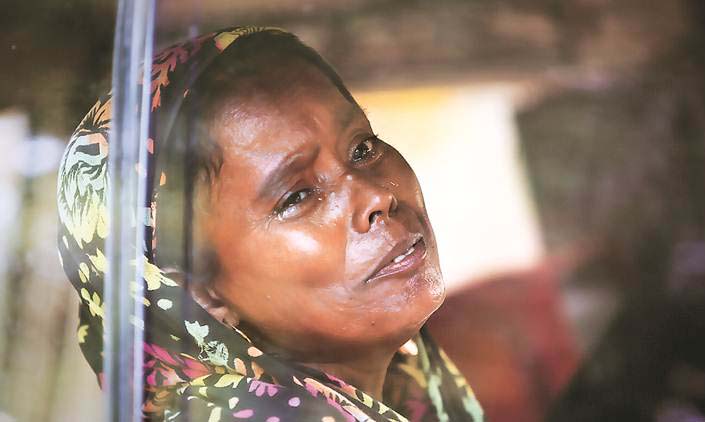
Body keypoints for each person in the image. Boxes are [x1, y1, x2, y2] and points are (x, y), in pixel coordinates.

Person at [57, 26, 483, 421]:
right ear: (197, 294)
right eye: (297, 196)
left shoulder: (411, 395)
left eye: (363, 148)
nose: (377, 196)